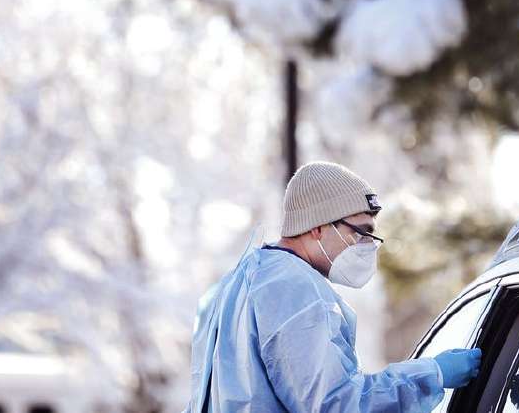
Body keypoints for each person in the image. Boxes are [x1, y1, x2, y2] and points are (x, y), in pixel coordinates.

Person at [184, 161, 483, 413]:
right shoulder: (294, 288)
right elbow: (336, 404)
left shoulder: (245, 280)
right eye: (361, 232)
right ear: (317, 226)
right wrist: (432, 374)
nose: (368, 247)